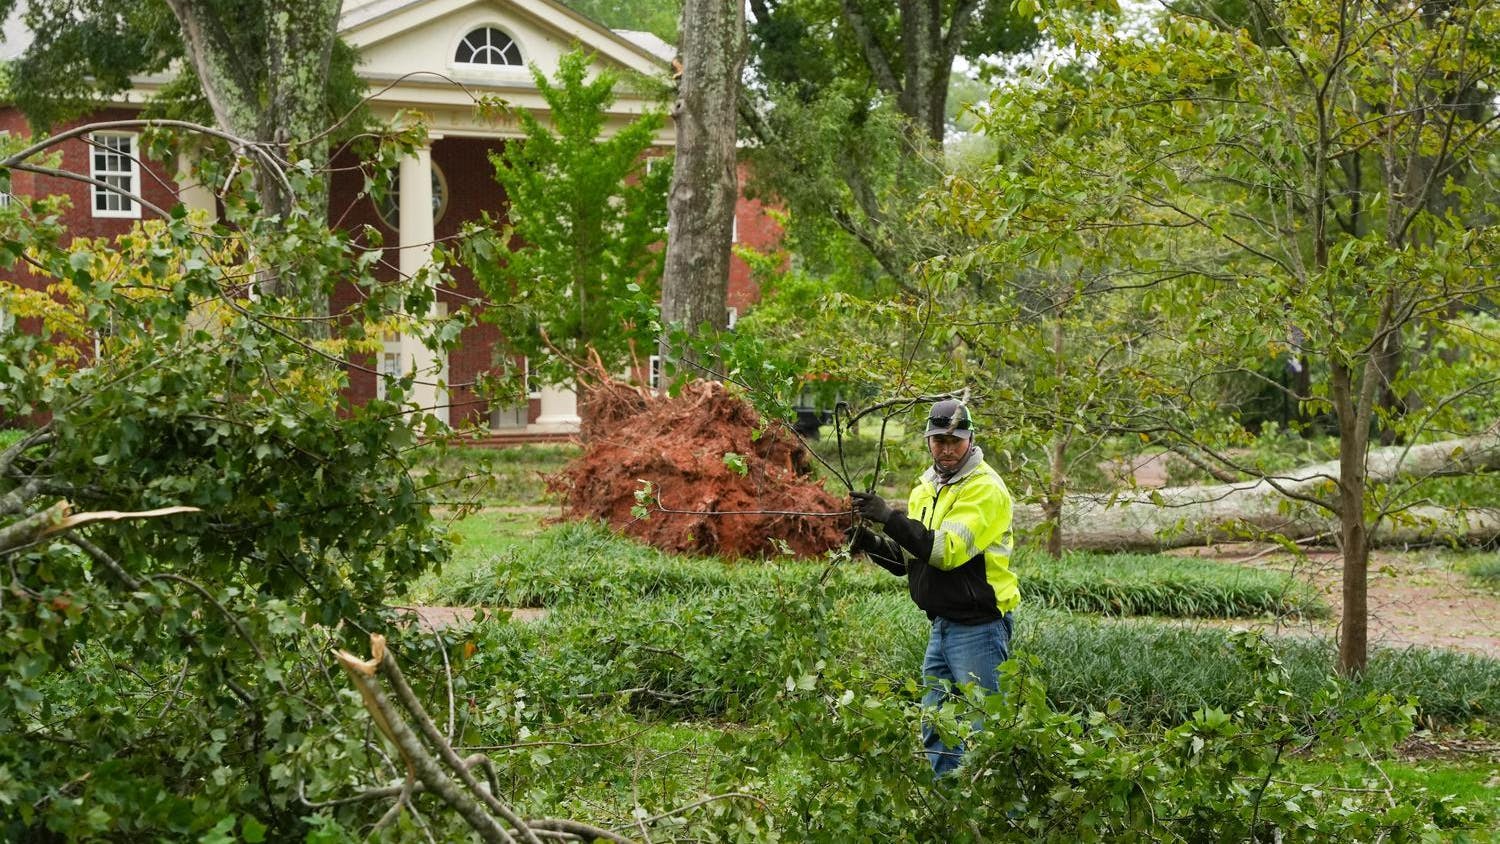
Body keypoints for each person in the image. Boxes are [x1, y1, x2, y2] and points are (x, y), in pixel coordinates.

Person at [848, 397, 1018, 777]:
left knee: (988, 731)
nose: (946, 449)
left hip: (978, 627)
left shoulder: (985, 489)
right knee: (937, 729)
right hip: (941, 625)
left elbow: (945, 552)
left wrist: (889, 518)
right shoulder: (925, 487)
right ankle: (951, 812)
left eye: (954, 441)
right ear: (928, 441)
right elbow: (912, 559)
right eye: (938, 441)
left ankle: (1002, 822)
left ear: (970, 439)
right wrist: (871, 542)